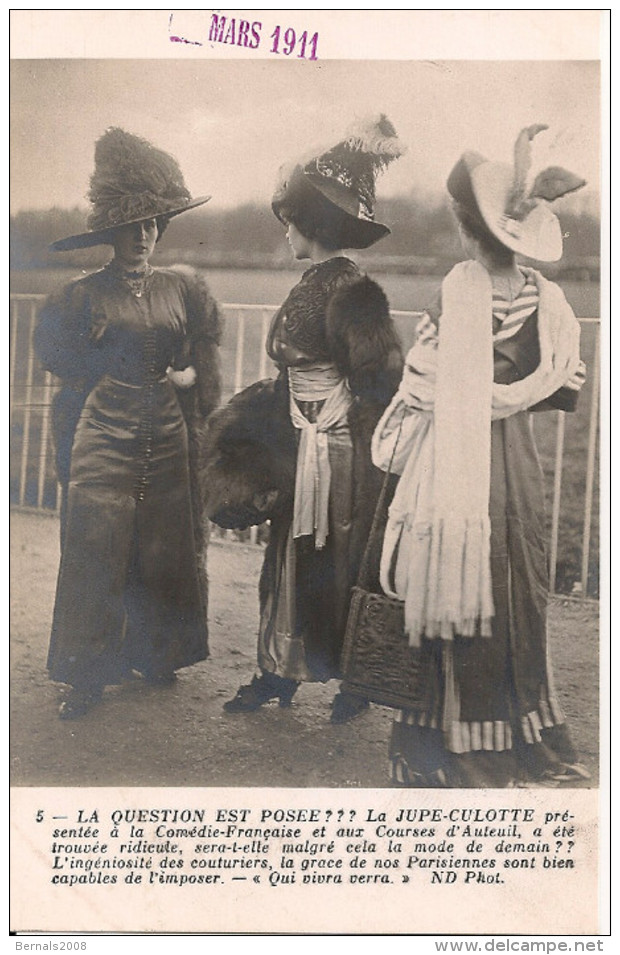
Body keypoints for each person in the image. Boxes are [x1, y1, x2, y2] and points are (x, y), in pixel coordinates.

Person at [371, 126, 591, 786]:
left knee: (449, 578)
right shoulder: (545, 301)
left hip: (453, 463)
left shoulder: (456, 290)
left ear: (467, 230)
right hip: (512, 463)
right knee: (516, 585)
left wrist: (457, 391)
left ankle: (441, 740)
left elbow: (420, 379)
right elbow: (564, 385)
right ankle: (525, 738)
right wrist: (510, 390)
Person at [215, 115, 404, 722]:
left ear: (311, 225)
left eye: (290, 222)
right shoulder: (313, 281)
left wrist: (344, 427)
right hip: (301, 437)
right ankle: (280, 669)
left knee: (337, 556)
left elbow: (378, 376)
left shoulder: (349, 287)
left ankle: (355, 679)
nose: (286, 233)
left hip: (340, 446)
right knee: (289, 554)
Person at [35, 127, 223, 719]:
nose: (142, 238)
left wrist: (183, 377)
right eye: (131, 227)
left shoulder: (178, 290)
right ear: (111, 231)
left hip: (165, 429)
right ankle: (85, 677)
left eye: (151, 226)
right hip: (104, 429)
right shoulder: (80, 296)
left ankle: (156, 651)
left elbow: (191, 350)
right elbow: (57, 359)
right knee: (96, 543)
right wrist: (99, 365)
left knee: (165, 540)